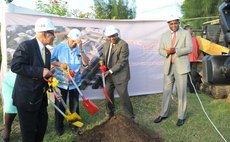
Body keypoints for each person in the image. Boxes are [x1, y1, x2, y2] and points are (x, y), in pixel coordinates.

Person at [11, 17, 58, 142]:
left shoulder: (47, 52)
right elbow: (16, 66)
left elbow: (45, 76)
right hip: (26, 99)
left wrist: (52, 89)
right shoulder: (26, 46)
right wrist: (39, 70)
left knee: (41, 129)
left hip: (40, 99)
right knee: (29, 134)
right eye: (52, 33)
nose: (54, 36)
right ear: (44, 33)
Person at [154, 15, 192, 126]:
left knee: (181, 92)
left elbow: (190, 48)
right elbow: (160, 50)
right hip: (168, 67)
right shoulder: (164, 35)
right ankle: (163, 113)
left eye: (175, 23)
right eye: (171, 23)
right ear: (168, 24)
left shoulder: (185, 33)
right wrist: (167, 52)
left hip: (181, 67)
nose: (173, 25)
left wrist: (176, 50)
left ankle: (181, 116)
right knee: (166, 91)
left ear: (179, 23)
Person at [51, 28, 89, 136]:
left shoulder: (80, 49)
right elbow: (51, 60)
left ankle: (75, 125)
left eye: (76, 41)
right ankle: (59, 127)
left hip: (75, 83)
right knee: (60, 104)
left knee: (74, 105)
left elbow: (86, 64)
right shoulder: (59, 48)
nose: (74, 43)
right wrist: (60, 64)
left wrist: (81, 49)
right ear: (68, 38)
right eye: (72, 40)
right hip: (61, 82)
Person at [101, 25, 135, 120]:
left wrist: (110, 71)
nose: (112, 38)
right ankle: (109, 113)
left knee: (123, 97)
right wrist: (102, 64)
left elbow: (122, 62)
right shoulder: (106, 44)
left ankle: (130, 116)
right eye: (109, 36)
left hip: (120, 75)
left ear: (117, 34)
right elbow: (104, 57)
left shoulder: (123, 44)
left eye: (113, 36)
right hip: (109, 76)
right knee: (107, 95)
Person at [2, 54, 17, 142]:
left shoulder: (14, 73)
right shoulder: (10, 75)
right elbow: (18, 85)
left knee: (8, 125)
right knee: (8, 126)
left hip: (16, 101)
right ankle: (5, 138)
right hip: (10, 104)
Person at [184, 25, 201, 93]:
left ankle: (192, 89)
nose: (191, 30)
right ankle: (189, 88)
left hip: (194, 59)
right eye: (189, 29)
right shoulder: (184, 38)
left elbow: (198, 48)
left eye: (191, 29)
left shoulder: (194, 38)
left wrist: (197, 56)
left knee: (193, 74)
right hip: (186, 59)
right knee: (186, 74)